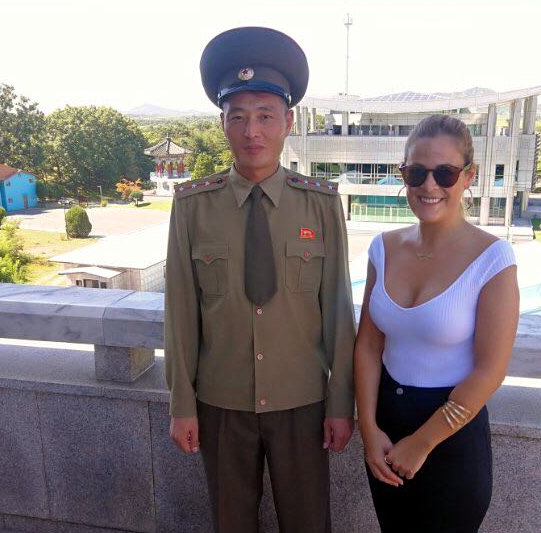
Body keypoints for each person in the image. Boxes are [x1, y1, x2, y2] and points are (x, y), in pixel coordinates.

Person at [163, 27, 356, 533]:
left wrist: (342, 405)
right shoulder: (192, 207)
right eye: (239, 117)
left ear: (288, 122)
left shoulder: (320, 203)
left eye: (266, 116)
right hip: (220, 403)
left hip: (303, 403)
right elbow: (180, 313)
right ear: (222, 125)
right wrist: (182, 406)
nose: (253, 131)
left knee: (308, 522)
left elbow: (339, 309)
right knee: (230, 522)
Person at [354, 114, 520, 532]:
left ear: (469, 177)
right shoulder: (383, 248)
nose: (430, 186)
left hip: (451, 432)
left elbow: (490, 370)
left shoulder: (493, 258)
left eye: (445, 173)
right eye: (417, 172)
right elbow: (369, 347)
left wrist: (423, 442)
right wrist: (368, 427)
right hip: (387, 428)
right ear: (403, 175)